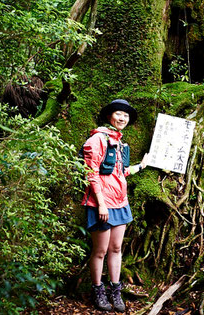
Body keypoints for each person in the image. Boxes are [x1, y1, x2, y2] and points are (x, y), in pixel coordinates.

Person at [81, 99, 148, 312]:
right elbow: (90, 173)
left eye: (126, 116)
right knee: (100, 250)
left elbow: (119, 172)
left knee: (116, 248)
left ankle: (115, 291)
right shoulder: (97, 140)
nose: (123, 118)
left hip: (120, 202)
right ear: (110, 115)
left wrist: (141, 166)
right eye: (119, 114)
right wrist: (101, 204)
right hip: (101, 203)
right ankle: (98, 290)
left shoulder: (118, 142)